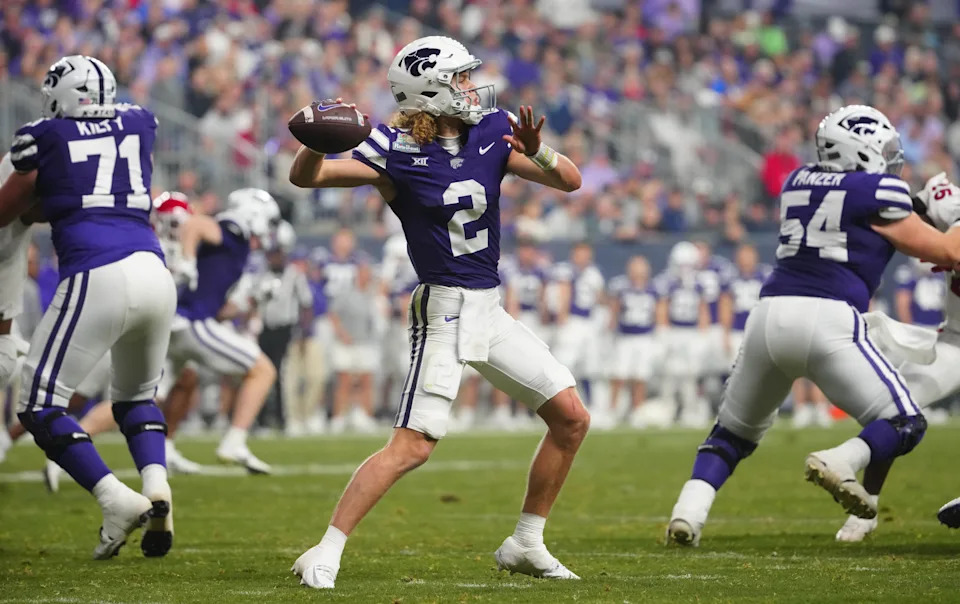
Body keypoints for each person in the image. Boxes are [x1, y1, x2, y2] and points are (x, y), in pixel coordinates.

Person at [288, 36, 588, 589]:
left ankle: (526, 540)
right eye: (461, 79)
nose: (472, 87)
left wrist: (538, 150)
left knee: (571, 417)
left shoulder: (496, 130)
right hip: (444, 307)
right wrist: (315, 142)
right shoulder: (392, 149)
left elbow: (570, 181)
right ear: (432, 90)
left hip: (488, 306)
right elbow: (308, 178)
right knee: (412, 446)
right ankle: (325, 549)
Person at [667, 105, 960, 547]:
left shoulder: (798, 180)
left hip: (768, 316)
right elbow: (946, 252)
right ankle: (841, 459)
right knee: (904, 421)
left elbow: (866, 218)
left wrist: (921, 202)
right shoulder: (879, 190)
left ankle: (687, 514)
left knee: (730, 435)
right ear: (861, 151)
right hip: (829, 318)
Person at [0, 56, 176, 559]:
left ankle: (115, 498)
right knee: (137, 398)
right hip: (153, 269)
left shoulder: (43, 135)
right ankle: (156, 483)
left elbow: (7, 212)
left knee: (37, 404)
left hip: (97, 270)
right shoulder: (141, 121)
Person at [832, 171, 960, 540]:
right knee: (895, 406)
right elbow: (900, 216)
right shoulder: (947, 200)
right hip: (955, 340)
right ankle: (867, 505)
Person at [163, 188, 279, 474]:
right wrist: (188, 260)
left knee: (150, 396)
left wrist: (252, 301)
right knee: (263, 371)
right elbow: (196, 224)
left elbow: (220, 310)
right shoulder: (234, 228)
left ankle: (161, 449)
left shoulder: (235, 247)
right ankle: (234, 441)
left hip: (183, 321)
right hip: (191, 322)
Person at [257, 220, 313, 431]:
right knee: (262, 373)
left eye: (277, 253)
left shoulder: (294, 275)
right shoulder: (261, 274)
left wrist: (304, 331)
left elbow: (306, 304)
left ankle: (282, 419)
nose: (274, 258)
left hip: (285, 329)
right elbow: (252, 301)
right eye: (271, 254)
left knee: (282, 375)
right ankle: (261, 419)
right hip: (265, 329)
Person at [656, 241, 710, 428]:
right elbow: (662, 307)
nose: (684, 269)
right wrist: (663, 331)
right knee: (669, 374)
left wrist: (703, 334)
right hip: (674, 331)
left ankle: (690, 410)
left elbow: (703, 309)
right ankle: (667, 408)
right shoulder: (668, 282)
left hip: (691, 332)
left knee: (691, 374)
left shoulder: (699, 284)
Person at [328, 262, 384, 433]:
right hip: (347, 342)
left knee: (366, 380)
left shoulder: (373, 295)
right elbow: (334, 315)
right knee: (344, 380)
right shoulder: (346, 293)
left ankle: (365, 416)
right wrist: (342, 334)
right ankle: (338, 418)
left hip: (366, 342)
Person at [608, 255, 661, 428]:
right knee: (619, 375)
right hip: (625, 337)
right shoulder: (622, 288)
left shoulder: (653, 289)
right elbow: (614, 312)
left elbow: (658, 314)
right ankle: (612, 411)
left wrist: (659, 334)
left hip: (645, 337)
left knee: (640, 377)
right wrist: (611, 330)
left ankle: (637, 412)